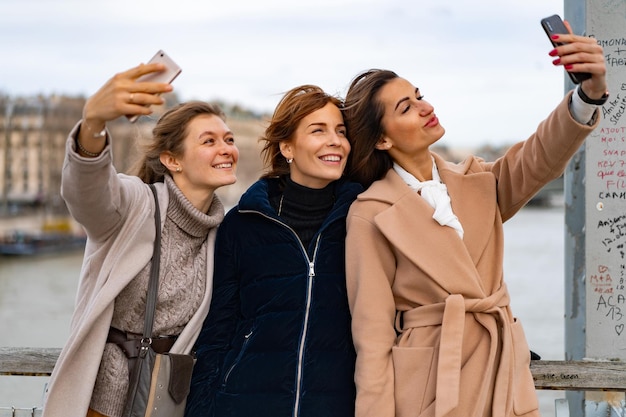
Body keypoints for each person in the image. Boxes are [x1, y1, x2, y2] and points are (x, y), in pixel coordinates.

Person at [341, 24, 607, 417]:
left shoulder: (480, 181)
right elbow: (373, 340)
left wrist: (587, 95)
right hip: (429, 391)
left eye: (420, 96)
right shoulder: (371, 214)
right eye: (406, 108)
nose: (425, 106)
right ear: (381, 139)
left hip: (502, 376)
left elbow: (540, 155)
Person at [42, 62, 239, 417]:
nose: (226, 148)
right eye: (209, 141)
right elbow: (88, 196)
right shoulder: (136, 204)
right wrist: (93, 125)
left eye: (229, 139)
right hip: (98, 403)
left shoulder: (222, 231)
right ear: (171, 160)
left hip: (165, 403)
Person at [185, 85, 362, 417]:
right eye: (318, 130)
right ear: (287, 147)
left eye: (341, 131)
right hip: (242, 404)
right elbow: (218, 333)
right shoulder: (243, 224)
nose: (335, 140)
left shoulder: (363, 220)